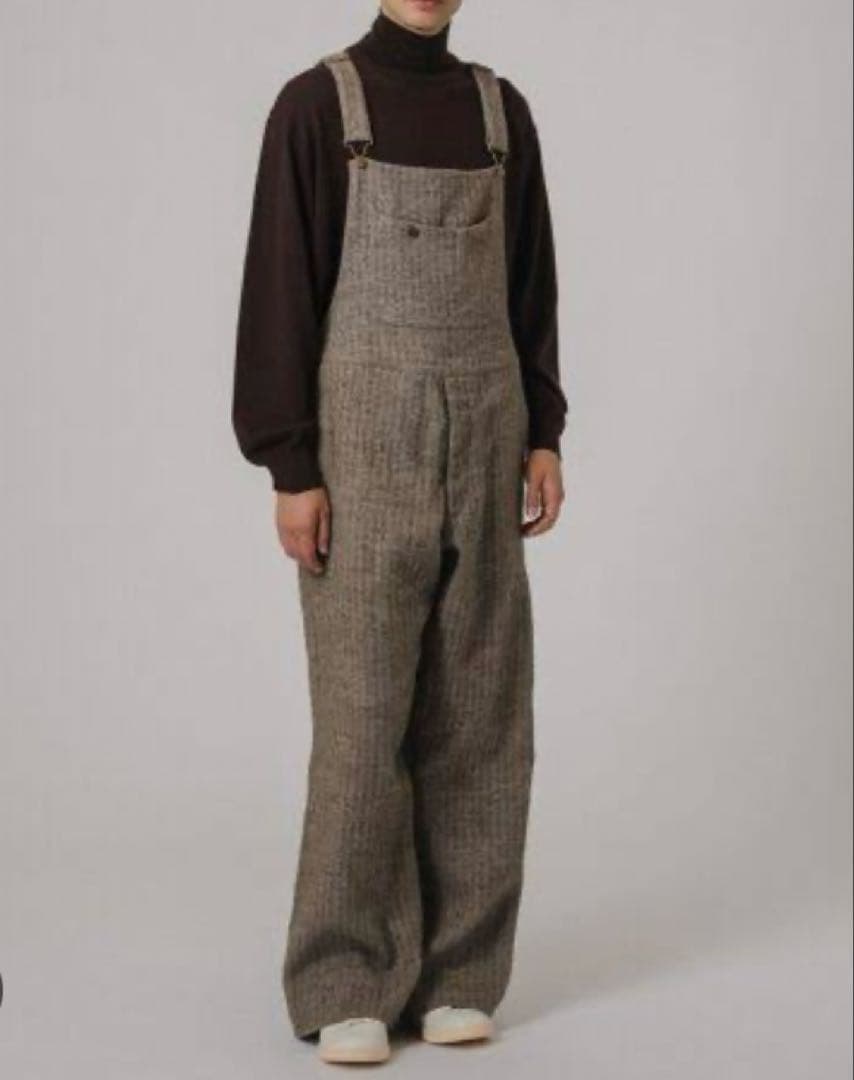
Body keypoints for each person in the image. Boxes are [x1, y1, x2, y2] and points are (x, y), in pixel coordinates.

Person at [233, 0, 568, 1065]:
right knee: (363, 710)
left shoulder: (500, 113)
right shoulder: (315, 107)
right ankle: (345, 978)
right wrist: (290, 464)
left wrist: (544, 430)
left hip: (489, 431)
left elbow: (530, 283)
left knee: (482, 705)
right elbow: (279, 287)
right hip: (361, 444)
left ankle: (460, 972)